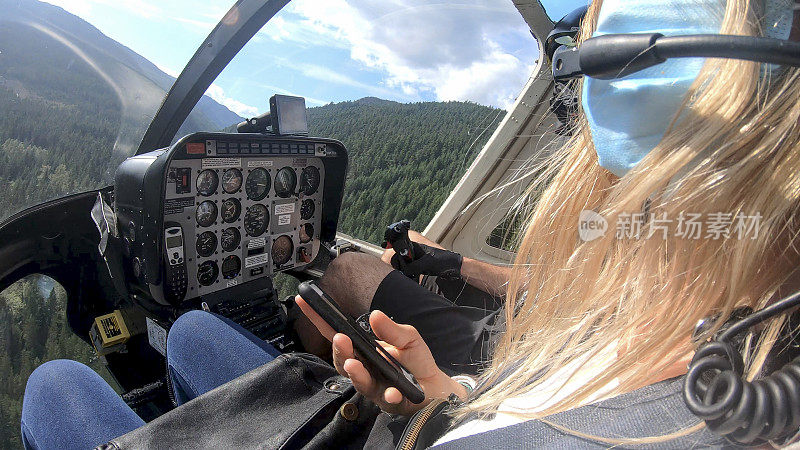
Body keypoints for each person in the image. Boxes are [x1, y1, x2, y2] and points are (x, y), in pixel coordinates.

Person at [22, 0, 800, 447]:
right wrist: (443, 398)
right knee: (194, 334)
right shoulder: (736, 345)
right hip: (446, 409)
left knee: (56, 385)